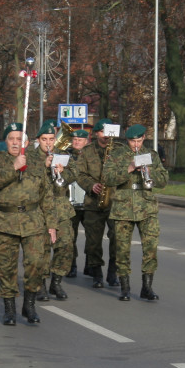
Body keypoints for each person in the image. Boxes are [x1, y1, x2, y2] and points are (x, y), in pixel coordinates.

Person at [0, 122, 57, 325]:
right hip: (5, 222)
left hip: (33, 220)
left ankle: (29, 305)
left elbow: (46, 195)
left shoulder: (37, 162)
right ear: (6, 141)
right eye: (12, 139)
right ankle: (10, 309)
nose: (15, 142)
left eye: (19, 139)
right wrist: (13, 168)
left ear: (27, 142)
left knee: (36, 264)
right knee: (6, 267)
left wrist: (51, 224)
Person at [103, 124, 168, 301]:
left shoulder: (152, 155)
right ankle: (125, 287)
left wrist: (150, 170)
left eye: (139, 141)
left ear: (144, 138)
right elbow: (107, 178)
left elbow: (163, 181)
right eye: (132, 141)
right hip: (123, 208)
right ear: (127, 140)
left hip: (147, 207)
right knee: (122, 249)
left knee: (151, 248)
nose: (136, 144)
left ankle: (147, 287)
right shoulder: (116, 155)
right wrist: (129, 168)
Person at [27, 120, 75, 302]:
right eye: (44, 139)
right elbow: (27, 177)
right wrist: (44, 167)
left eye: (51, 139)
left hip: (61, 208)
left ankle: (57, 281)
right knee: (42, 250)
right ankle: (41, 285)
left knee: (66, 246)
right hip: (39, 209)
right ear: (38, 139)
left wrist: (62, 172)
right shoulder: (31, 157)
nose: (48, 143)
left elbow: (74, 174)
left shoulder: (63, 154)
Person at [75, 118, 118, 288]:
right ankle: (97, 273)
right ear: (96, 134)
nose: (106, 136)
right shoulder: (87, 151)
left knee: (117, 238)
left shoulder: (119, 150)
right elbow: (80, 174)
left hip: (115, 201)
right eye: (102, 132)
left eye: (109, 132)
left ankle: (113, 272)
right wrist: (91, 186)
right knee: (93, 240)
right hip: (94, 201)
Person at [67, 129, 90, 278]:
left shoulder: (91, 157)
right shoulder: (65, 155)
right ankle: (71, 265)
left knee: (92, 237)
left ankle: (90, 265)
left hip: (88, 202)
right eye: (74, 139)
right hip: (71, 202)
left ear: (86, 141)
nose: (76, 142)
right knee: (70, 237)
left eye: (80, 140)